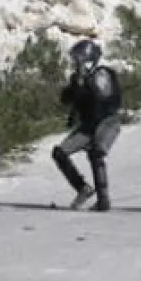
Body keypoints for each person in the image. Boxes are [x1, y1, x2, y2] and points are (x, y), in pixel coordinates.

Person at [51, 39, 123, 213]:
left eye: (79, 58)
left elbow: (105, 96)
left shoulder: (103, 73)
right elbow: (65, 99)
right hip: (88, 125)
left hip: (108, 122)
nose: (76, 62)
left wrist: (86, 83)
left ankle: (103, 199)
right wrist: (76, 85)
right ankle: (82, 188)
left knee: (96, 153)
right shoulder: (78, 78)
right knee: (60, 153)